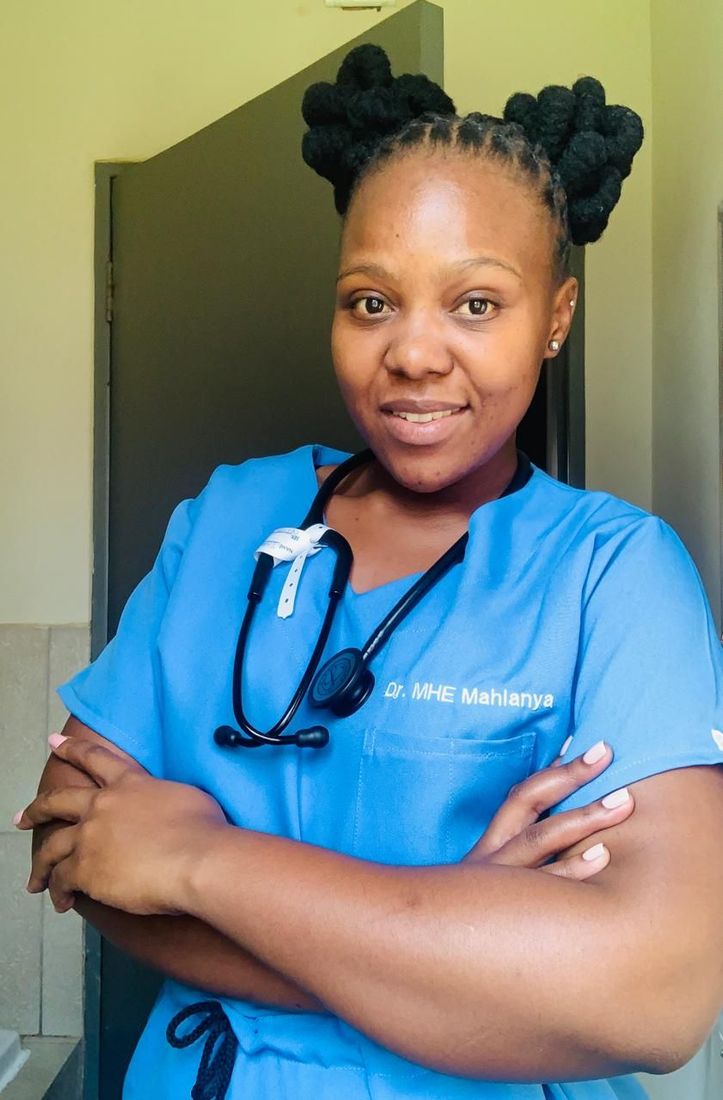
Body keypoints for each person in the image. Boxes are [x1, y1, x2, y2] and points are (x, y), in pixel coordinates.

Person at [17, 44, 723, 1100]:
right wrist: (460, 939)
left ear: (558, 317)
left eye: (476, 304)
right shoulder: (228, 518)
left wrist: (201, 860)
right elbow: (76, 842)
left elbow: (652, 995)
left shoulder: (614, 574)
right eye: (371, 301)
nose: (414, 354)